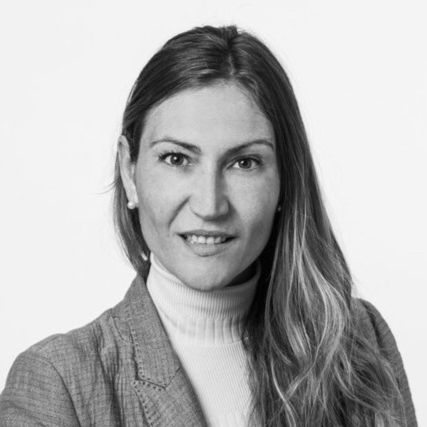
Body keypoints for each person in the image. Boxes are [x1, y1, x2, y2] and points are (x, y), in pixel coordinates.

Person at [0, 25, 417, 427]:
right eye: (177, 159)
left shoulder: (361, 342)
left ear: (285, 179)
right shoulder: (59, 385)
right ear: (129, 171)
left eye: (244, 162)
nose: (209, 205)